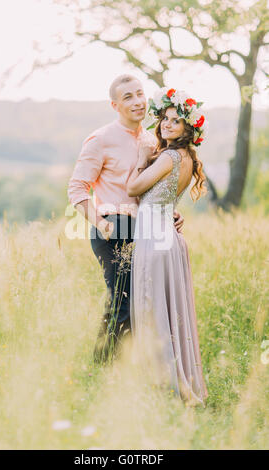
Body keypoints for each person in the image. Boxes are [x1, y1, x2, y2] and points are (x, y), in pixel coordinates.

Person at [67, 75, 184, 363]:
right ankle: (103, 369)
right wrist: (100, 222)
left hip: (145, 227)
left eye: (140, 94)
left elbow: (149, 191)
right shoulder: (101, 139)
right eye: (128, 97)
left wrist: (170, 212)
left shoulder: (152, 140)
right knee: (122, 300)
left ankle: (132, 370)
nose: (137, 102)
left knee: (145, 301)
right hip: (112, 226)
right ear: (115, 105)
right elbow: (77, 187)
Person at [126, 88, 208, 406]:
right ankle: (171, 384)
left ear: (188, 129)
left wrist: (139, 161)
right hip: (167, 238)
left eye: (176, 121)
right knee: (169, 313)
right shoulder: (185, 158)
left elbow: (134, 188)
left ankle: (178, 390)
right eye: (164, 119)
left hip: (154, 240)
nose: (167, 125)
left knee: (154, 312)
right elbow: (163, 197)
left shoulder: (170, 156)